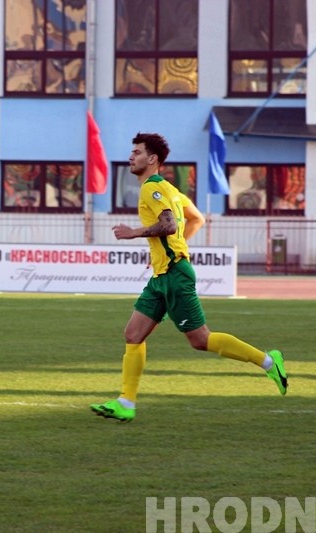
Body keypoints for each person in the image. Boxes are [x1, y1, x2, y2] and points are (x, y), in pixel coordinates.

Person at [90, 133, 288, 423]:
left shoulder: (152, 188)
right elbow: (197, 219)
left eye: (137, 152)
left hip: (174, 275)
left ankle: (269, 361)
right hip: (162, 275)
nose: (131, 157)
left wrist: (134, 233)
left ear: (152, 159)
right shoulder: (170, 189)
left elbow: (169, 225)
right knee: (133, 334)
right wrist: (167, 251)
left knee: (200, 340)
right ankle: (126, 403)